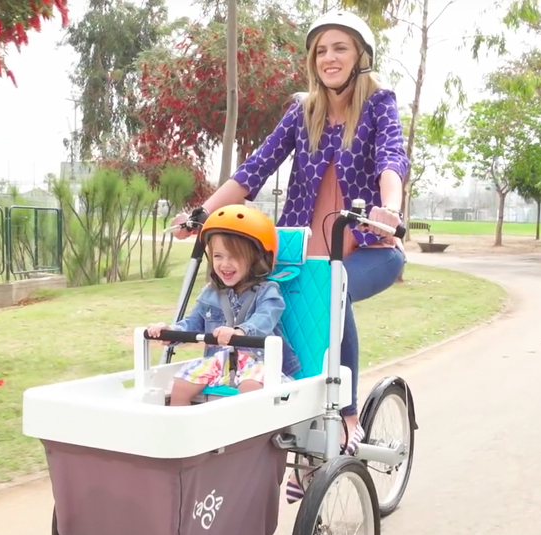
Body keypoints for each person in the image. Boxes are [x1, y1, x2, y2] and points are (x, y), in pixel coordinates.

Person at [171, 11, 409, 449]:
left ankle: (346, 415)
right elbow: (255, 169)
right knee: (281, 315)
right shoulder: (302, 111)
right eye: (321, 50)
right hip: (301, 249)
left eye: (340, 48)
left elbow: (392, 159)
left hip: (371, 247)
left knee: (335, 291)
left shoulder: (379, 103)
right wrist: (200, 214)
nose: (329, 58)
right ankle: (290, 412)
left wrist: (389, 209)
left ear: (361, 57)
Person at [149, 205, 300, 406]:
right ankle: (183, 433)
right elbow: (192, 323)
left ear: (256, 259)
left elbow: (265, 318)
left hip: (259, 362)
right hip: (219, 360)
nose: (224, 264)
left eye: (234, 256)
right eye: (218, 256)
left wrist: (240, 331)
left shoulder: (268, 291)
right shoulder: (210, 293)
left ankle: (250, 436)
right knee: (181, 384)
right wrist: (170, 332)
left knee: (250, 386)